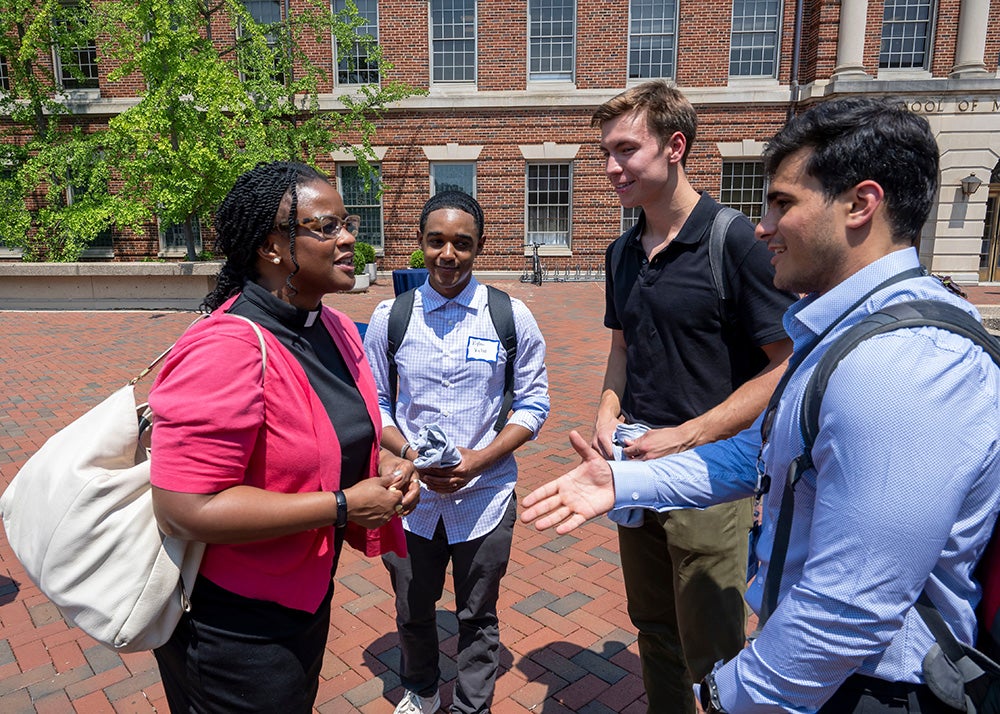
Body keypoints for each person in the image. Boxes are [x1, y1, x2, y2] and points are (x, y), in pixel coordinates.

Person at [522, 96, 1000, 713]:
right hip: (829, 677)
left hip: (873, 689)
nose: (764, 226)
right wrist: (623, 480)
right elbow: (762, 455)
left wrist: (733, 697)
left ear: (861, 204)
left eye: (783, 203)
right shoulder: (841, 330)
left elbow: (849, 607)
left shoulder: (905, 365)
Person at [148, 161, 421, 713]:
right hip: (233, 627)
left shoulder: (334, 327)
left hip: (304, 596)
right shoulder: (226, 349)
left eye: (347, 223)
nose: (349, 237)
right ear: (273, 247)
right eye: (327, 227)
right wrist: (344, 506)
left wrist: (393, 471)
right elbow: (185, 507)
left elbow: (341, 433)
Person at [589, 80, 796, 711]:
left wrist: (689, 434)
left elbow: (784, 365)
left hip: (710, 474)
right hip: (635, 464)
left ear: (675, 146)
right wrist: (605, 411)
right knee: (653, 627)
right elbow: (623, 349)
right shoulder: (621, 251)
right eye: (605, 152)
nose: (610, 167)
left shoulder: (733, 241)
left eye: (625, 149)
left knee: (712, 642)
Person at [363, 191, 550, 714]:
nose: (448, 254)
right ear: (420, 244)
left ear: (479, 248)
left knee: (478, 613)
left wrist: (481, 459)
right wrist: (409, 455)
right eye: (436, 241)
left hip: (486, 496)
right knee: (413, 607)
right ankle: (420, 691)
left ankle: (472, 705)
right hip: (410, 496)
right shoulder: (391, 317)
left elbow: (533, 404)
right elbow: (374, 402)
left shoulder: (510, 317)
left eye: (462, 244)